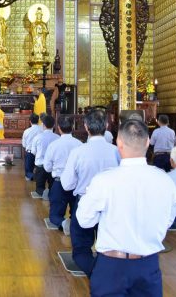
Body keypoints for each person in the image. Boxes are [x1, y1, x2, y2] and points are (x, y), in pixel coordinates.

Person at [76, 120, 176, 295]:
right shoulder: (165, 181)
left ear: (119, 143)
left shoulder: (104, 180)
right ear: (147, 142)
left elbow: (84, 220)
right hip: (148, 263)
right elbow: (168, 219)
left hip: (111, 265)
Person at [60, 109, 120, 276]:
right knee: (109, 244)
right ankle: (106, 271)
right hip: (111, 204)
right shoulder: (116, 151)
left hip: (84, 201)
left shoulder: (79, 152)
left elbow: (66, 184)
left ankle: (96, 273)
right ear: (106, 126)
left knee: (81, 248)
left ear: (86, 127)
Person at [43, 115, 82, 232]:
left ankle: (63, 222)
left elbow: (47, 167)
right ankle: (73, 224)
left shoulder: (54, 145)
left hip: (59, 183)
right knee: (76, 212)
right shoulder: (80, 144)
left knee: (54, 215)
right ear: (73, 127)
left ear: (58, 128)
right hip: (76, 184)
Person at [31, 114, 59, 197]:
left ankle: (41, 193)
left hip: (40, 165)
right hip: (53, 166)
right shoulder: (57, 137)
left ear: (43, 125)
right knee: (52, 184)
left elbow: (33, 151)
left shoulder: (37, 137)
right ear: (54, 125)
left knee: (39, 186)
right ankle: (50, 193)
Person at [22, 113, 43, 180]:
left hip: (30, 153)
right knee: (40, 168)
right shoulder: (42, 130)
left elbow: (24, 144)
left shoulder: (26, 131)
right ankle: (39, 177)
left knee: (28, 170)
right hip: (40, 152)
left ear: (30, 121)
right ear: (38, 121)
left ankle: (32, 176)